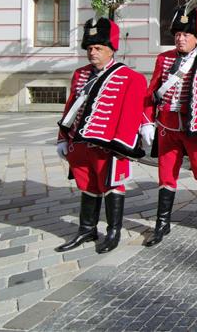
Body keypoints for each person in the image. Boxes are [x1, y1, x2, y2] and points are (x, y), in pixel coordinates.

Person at [55, 17, 147, 254]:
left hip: (109, 147)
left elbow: (131, 115)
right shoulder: (80, 74)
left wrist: (120, 146)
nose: (92, 53)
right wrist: (63, 137)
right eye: (89, 48)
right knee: (87, 186)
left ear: (110, 50)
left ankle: (113, 231)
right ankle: (87, 229)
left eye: (98, 48)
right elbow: (70, 107)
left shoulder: (130, 77)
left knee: (111, 186)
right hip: (80, 144)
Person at [140, 0, 197, 247]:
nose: (180, 39)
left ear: (196, 36)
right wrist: (147, 121)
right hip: (168, 129)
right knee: (166, 176)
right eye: (177, 33)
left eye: (186, 34)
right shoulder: (164, 59)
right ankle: (162, 224)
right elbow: (151, 91)